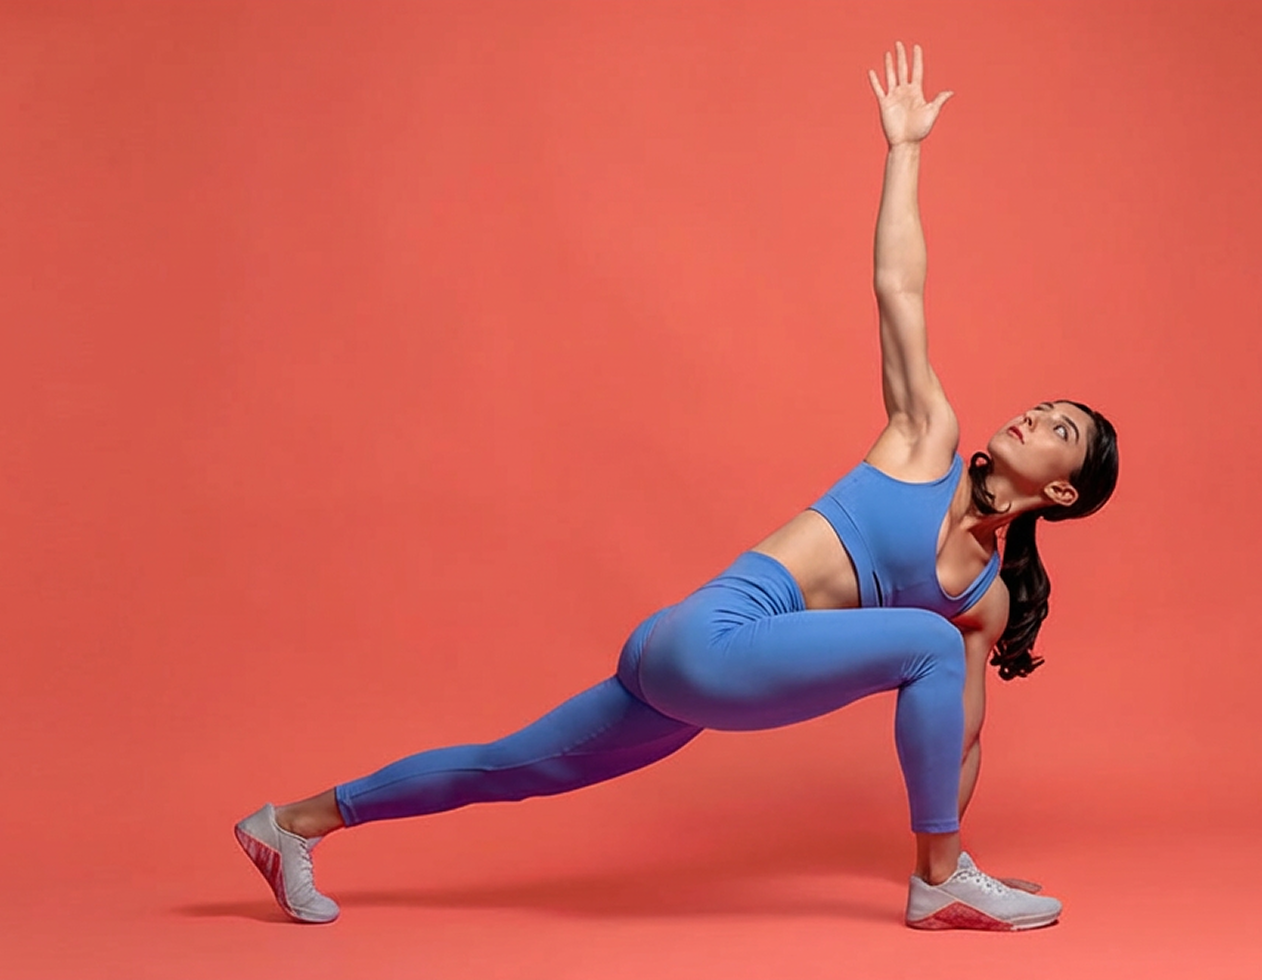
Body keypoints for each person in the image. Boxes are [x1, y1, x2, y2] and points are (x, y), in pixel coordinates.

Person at [234, 41, 1120, 931]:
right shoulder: (924, 440)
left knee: (504, 767)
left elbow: (958, 739)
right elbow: (900, 287)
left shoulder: (985, 600)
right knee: (923, 645)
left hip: (687, 679)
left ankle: (290, 824)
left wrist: (953, 816)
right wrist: (906, 152)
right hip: (707, 642)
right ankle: (939, 882)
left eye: (1059, 430)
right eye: (1042, 407)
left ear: (1065, 494)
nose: (1034, 419)